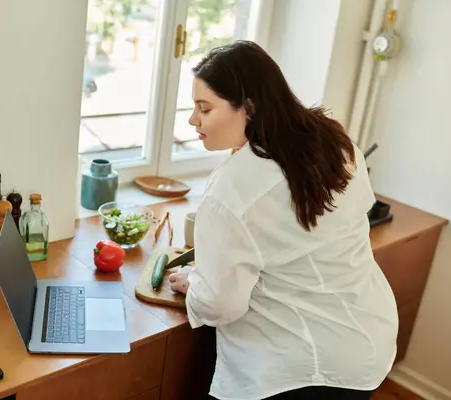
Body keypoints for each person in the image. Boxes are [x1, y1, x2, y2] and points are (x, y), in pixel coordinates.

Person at [168, 40, 399, 400]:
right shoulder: (335, 142)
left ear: (249, 106)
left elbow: (220, 305)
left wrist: (196, 282)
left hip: (297, 365)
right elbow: (345, 220)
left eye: (205, 109)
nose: (192, 120)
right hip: (366, 338)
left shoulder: (231, 189)